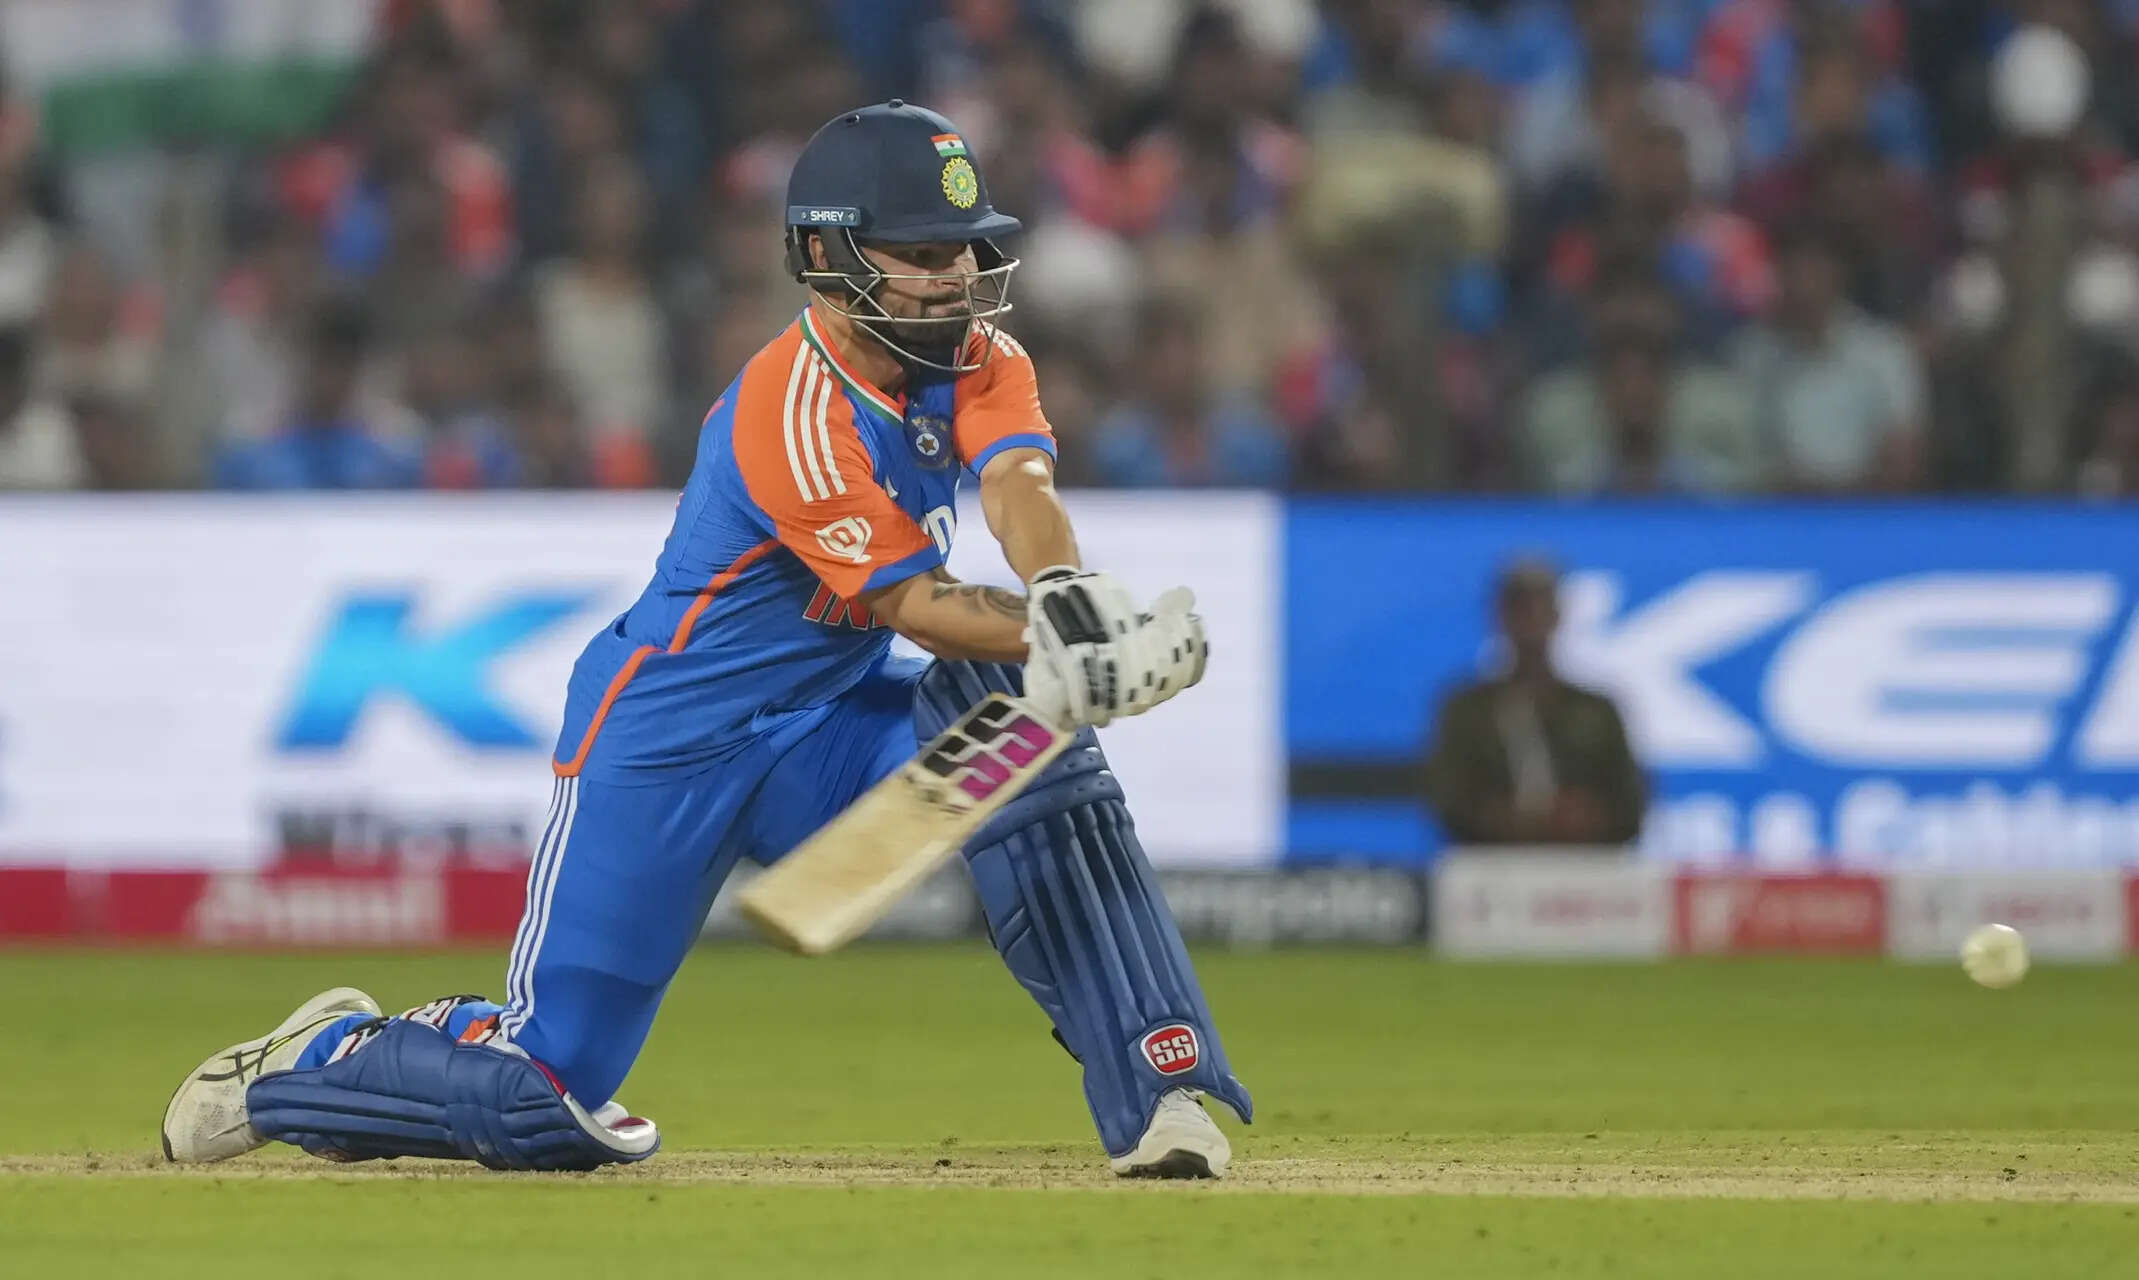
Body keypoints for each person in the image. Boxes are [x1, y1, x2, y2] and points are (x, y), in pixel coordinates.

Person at [160, 102, 1251, 1180]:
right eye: (920, 253)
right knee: (542, 1098)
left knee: (1030, 732)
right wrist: (1059, 639)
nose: (954, 277)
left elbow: (1017, 479)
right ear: (827, 255)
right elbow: (912, 604)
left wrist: (1062, 590)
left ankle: (1160, 1085)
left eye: (964, 250)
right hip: (668, 742)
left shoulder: (977, 354)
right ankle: (309, 1061)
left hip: (826, 732)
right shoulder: (791, 408)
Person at [1424, 559, 1646, 847]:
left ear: (1557, 615)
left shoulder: (1597, 710)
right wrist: (1504, 817)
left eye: (1541, 606)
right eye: (1520, 608)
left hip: (1587, 870)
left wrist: (1587, 816)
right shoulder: (1467, 710)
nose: (1531, 619)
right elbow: (1445, 799)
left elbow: (1632, 804)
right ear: (1500, 616)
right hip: (1490, 870)